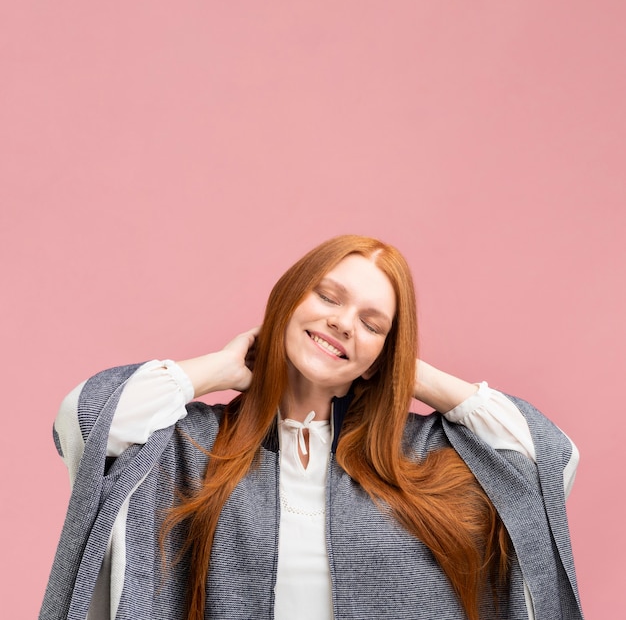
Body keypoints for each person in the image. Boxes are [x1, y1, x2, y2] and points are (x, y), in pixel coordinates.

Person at [40, 235, 583, 620]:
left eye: (373, 325)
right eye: (328, 296)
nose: (343, 322)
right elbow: (87, 421)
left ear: (380, 356)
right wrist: (219, 370)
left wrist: (412, 376)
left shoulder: (419, 457)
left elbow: (547, 465)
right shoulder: (196, 445)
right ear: (288, 300)